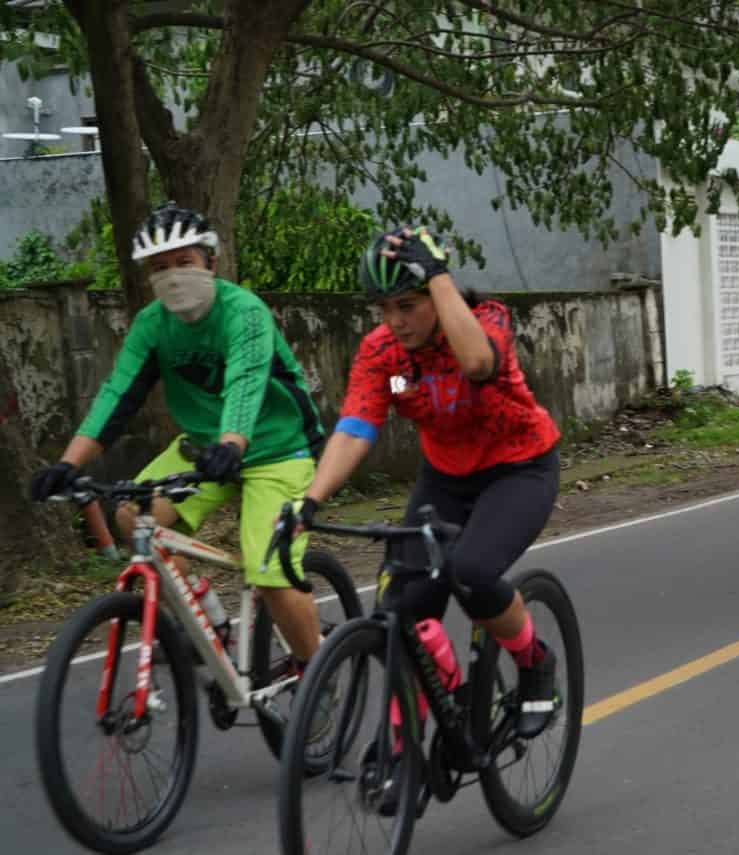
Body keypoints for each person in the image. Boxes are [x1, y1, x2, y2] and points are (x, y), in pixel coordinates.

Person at [294, 226, 562, 740]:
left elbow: (478, 364)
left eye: (408, 305)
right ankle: (419, 728)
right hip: (445, 480)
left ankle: (534, 663)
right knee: (400, 605)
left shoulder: (487, 322)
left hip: (518, 469)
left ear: (438, 292)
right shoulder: (388, 358)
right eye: (383, 308)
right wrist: (311, 499)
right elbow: (357, 425)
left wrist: (438, 275)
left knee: (472, 570)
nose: (395, 321)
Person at [28, 203, 326, 665]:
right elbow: (116, 396)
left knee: (269, 571)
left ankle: (316, 676)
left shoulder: (244, 312)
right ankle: (209, 620)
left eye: (184, 262)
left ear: (211, 261)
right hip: (203, 449)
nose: (173, 277)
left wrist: (232, 444)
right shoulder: (152, 325)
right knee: (132, 517)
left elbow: (244, 384)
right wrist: (69, 464)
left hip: (277, 451)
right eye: (159, 268)